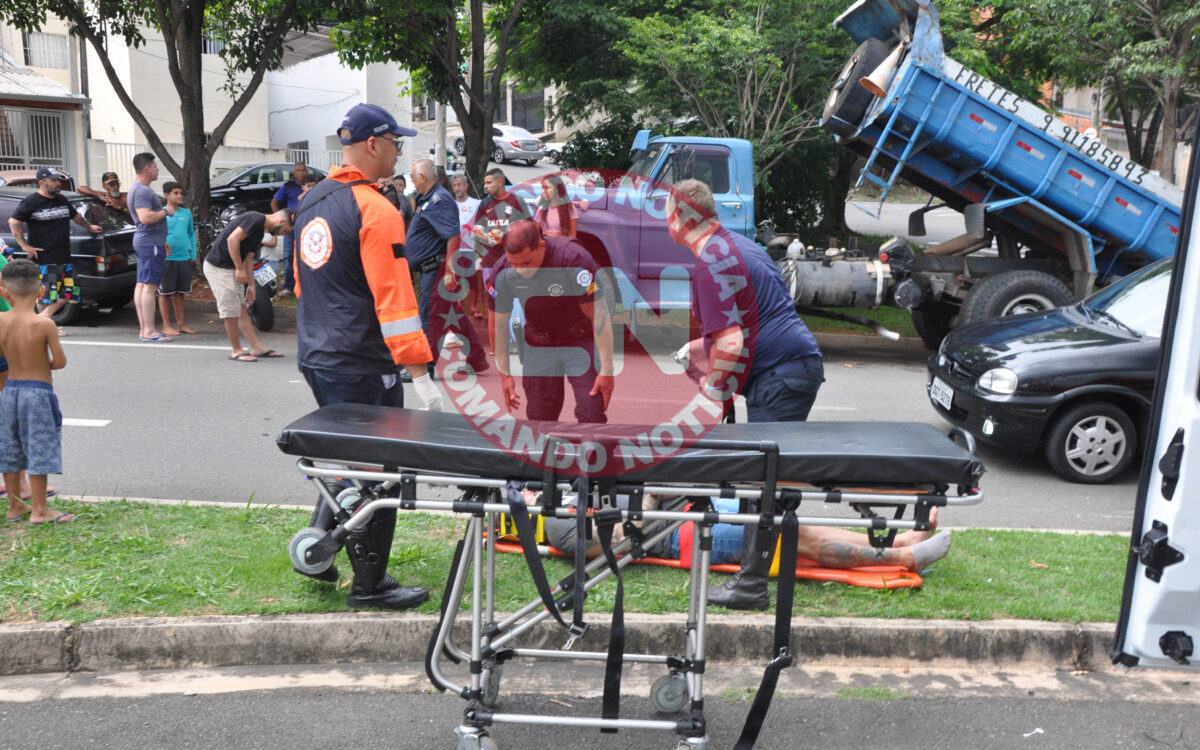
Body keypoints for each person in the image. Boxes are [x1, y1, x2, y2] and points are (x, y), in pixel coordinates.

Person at [291, 102, 441, 610]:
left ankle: (319, 551)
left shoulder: (311, 202)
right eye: (397, 143)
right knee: (381, 472)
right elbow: (395, 299)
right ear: (373, 145)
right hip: (361, 359)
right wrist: (421, 375)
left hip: (316, 352)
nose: (401, 152)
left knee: (345, 461)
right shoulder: (376, 209)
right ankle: (371, 584)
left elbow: (299, 284)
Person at [666, 178, 825, 610]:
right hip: (790, 368)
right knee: (773, 480)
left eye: (666, 211)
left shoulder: (709, 263)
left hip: (781, 374)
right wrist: (697, 350)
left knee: (768, 483)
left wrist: (712, 388)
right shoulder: (737, 246)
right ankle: (762, 574)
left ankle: (751, 585)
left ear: (680, 217)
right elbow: (741, 328)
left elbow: (733, 344)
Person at [539, 495, 951, 573]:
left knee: (795, 526)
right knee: (796, 542)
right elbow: (624, 539)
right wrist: (649, 497)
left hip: (695, 511)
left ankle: (899, 542)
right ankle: (901, 560)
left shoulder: (571, 489)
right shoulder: (559, 526)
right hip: (687, 535)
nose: (525, 489)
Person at [489, 221, 614, 422]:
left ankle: (592, 453)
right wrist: (505, 375)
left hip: (580, 340)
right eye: (514, 264)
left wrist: (607, 371)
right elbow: (498, 324)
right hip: (539, 344)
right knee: (540, 418)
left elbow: (598, 314)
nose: (520, 271)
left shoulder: (575, 260)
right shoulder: (501, 273)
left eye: (526, 263)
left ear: (541, 246)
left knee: (592, 411)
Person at [0, 259, 74, 525]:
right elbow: (60, 361)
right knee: (39, 447)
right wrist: (42, 364)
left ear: (3, 292)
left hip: (9, 392)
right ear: (40, 292)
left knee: (10, 448)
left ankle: (14, 507)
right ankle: (40, 510)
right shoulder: (45, 325)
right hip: (39, 392)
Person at [408, 158, 487, 373]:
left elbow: (453, 235)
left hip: (438, 268)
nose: (412, 181)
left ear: (422, 177)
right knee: (451, 315)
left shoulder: (439, 200)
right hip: (433, 268)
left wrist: (450, 270)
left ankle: (426, 364)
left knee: (431, 316)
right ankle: (477, 357)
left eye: (413, 177)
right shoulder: (425, 198)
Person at [7, 167, 102, 323]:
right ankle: (44, 324)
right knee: (46, 297)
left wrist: (89, 227)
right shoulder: (31, 202)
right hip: (45, 257)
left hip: (63, 256)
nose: (58, 183)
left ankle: (41, 320)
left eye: (58, 180)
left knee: (70, 292)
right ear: (43, 182)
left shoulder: (61, 199)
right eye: (54, 180)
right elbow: (14, 222)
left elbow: (76, 217)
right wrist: (25, 246)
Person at [202, 209, 291, 362]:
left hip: (231, 268)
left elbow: (249, 259)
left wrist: (251, 285)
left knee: (241, 309)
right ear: (281, 221)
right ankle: (236, 350)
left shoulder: (260, 232)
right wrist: (238, 268)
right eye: (285, 230)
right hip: (219, 267)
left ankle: (256, 347)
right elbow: (232, 240)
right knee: (231, 311)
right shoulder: (254, 218)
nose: (283, 234)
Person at [128, 152, 172, 342]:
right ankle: (149, 331)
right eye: (155, 166)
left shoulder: (136, 189)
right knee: (150, 286)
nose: (157, 169)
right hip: (149, 243)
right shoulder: (143, 191)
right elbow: (145, 217)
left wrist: (162, 239)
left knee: (142, 285)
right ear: (146, 168)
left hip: (149, 242)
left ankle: (145, 329)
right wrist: (165, 211)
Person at [158, 182, 197, 336]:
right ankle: (166, 325)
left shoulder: (186, 213)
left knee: (180, 292)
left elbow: (191, 234)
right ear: (167, 195)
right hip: (167, 258)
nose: (180, 196)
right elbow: (157, 234)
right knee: (165, 293)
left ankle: (181, 324)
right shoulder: (161, 213)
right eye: (176, 193)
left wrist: (192, 253)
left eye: (181, 193)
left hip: (184, 257)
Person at [271, 163, 309, 296]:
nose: (301, 173)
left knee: (307, 255)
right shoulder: (288, 186)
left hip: (308, 225)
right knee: (288, 255)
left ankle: (306, 285)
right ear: (294, 173)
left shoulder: (312, 184)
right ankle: (289, 286)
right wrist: (279, 219)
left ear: (307, 171)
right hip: (291, 226)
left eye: (303, 170)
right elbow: (274, 201)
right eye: (298, 170)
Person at [450, 175, 484, 319]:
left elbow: (482, 224)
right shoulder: (450, 204)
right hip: (454, 249)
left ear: (466, 186)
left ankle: (473, 308)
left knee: (472, 279)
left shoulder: (476, 203)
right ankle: (457, 306)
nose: (457, 188)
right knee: (455, 279)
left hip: (470, 248)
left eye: (460, 185)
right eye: (455, 185)